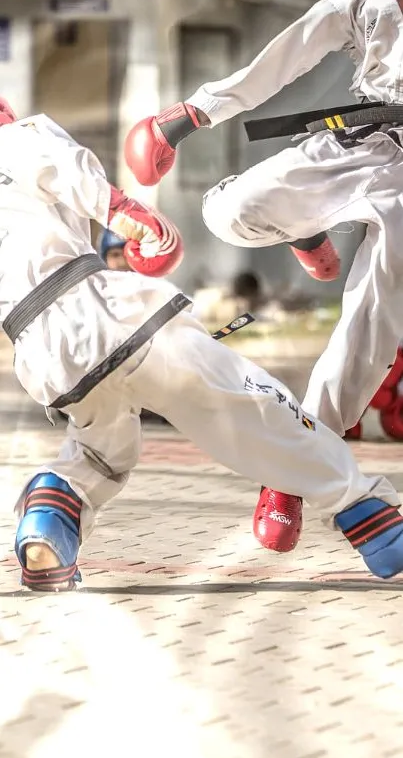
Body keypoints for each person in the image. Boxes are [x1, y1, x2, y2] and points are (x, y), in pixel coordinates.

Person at [0, 100, 401, 590]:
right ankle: (375, 521)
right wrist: (140, 225)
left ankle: (46, 528)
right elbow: (71, 172)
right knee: (251, 404)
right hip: (102, 310)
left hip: (41, 351)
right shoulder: (20, 136)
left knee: (99, 449)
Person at [125, 0, 403, 553]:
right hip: (363, 145)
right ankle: (304, 228)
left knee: (369, 332)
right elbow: (280, 60)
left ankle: (292, 473)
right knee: (232, 211)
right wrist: (186, 117)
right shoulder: (358, 3)